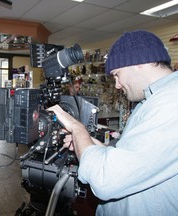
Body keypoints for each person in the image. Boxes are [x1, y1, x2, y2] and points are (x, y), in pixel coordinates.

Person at [48, 30, 178, 215]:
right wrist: (88, 143)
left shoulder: (171, 102)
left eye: (117, 74)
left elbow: (105, 180)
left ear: (137, 63)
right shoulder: (150, 101)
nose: (117, 85)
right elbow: (132, 157)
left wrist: (77, 128)